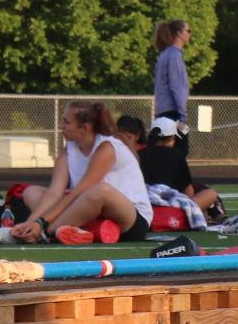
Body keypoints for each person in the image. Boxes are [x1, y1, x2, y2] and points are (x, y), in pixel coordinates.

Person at [9, 102, 154, 243]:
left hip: (131, 219)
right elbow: (54, 192)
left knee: (100, 190)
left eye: (66, 122)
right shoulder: (68, 150)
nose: (60, 126)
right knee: (31, 192)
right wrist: (30, 223)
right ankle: (80, 230)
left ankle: (47, 234)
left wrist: (42, 224)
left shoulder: (106, 147)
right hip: (92, 213)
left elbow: (78, 193)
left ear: (84, 128)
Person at [139, 117, 223, 218]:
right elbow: (188, 191)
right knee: (211, 193)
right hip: (173, 210)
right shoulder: (177, 155)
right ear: (172, 138)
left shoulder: (139, 155)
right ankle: (199, 217)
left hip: (146, 208)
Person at [153, 19, 192, 155]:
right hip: (172, 113)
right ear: (179, 33)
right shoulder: (174, 55)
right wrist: (182, 117)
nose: (190, 34)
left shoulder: (164, 54)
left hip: (162, 113)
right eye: (188, 30)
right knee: (180, 152)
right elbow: (177, 87)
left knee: (163, 154)